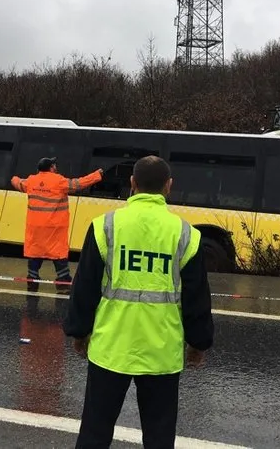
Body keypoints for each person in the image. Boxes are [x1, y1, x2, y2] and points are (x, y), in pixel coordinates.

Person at [63, 155, 214, 448]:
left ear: (132, 184)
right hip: (162, 353)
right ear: (168, 187)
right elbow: (196, 297)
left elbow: (85, 286)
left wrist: (79, 332)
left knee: (95, 432)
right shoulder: (187, 235)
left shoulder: (104, 226)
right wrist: (198, 342)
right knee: (159, 437)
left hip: (110, 348)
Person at [10, 157, 103, 293]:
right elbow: (78, 184)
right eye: (54, 165)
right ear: (52, 167)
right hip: (54, 227)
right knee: (58, 255)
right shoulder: (59, 181)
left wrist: (14, 177)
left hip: (35, 227)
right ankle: (63, 283)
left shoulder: (31, 181)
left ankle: (32, 282)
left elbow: (17, 182)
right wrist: (97, 175)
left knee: (35, 254)